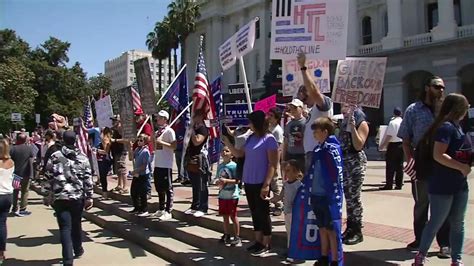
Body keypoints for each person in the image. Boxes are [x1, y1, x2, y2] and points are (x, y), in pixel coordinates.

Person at [412, 93, 471, 266]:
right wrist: (461, 167)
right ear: (457, 108)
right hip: (442, 184)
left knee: (458, 223)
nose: (467, 109)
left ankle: (456, 259)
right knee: (436, 221)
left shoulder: (458, 127)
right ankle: (420, 256)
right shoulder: (446, 127)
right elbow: (438, 155)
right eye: (466, 106)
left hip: (459, 184)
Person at [397, 75, 450, 256]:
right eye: (437, 87)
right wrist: (410, 160)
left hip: (443, 162)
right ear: (427, 88)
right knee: (421, 203)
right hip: (422, 163)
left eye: (443, 87)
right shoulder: (413, 110)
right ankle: (419, 239)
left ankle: (445, 243)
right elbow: (405, 138)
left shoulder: (445, 109)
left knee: (442, 204)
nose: (441, 90)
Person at [223, 110, 279, 257]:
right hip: (249, 180)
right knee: (254, 212)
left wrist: (267, 184)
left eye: (251, 122)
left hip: (261, 182)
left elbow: (273, 164)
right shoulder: (250, 138)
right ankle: (258, 241)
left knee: (263, 213)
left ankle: (266, 242)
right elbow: (240, 154)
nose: (249, 125)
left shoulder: (270, 139)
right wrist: (228, 143)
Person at [43, 130, 93, 266]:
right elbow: (88, 179)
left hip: (61, 197)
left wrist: (46, 194)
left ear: (63, 140)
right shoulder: (82, 158)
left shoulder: (55, 156)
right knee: (76, 225)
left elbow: (48, 176)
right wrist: (89, 196)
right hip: (77, 197)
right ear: (75, 141)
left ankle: (68, 259)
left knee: (65, 228)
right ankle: (77, 249)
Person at [310, 117, 344, 265]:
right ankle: (324, 256)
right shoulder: (319, 149)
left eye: (316, 132)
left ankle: (335, 260)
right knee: (322, 228)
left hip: (328, 196)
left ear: (325, 132)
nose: (314, 135)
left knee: (331, 230)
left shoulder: (331, 149)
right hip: (317, 193)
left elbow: (335, 174)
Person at [296, 52, 333, 172]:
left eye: (305, 98)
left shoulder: (323, 104)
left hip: (318, 153)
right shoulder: (312, 111)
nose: (304, 101)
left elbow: (314, 91)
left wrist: (303, 68)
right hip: (310, 153)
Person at [338, 104, 369, 245]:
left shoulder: (361, 122)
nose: (343, 107)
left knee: (354, 198)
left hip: (355, 162)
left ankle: (357, 230)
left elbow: (358, 145)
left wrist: (352, 128)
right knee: (348, 197)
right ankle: (350, 228)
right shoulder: (342, 122)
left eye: (347, 105)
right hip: (344, 162)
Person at [269, 159, 302, 260]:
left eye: (289, 170)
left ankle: (295, 251)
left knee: (295, 232)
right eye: (285, 171)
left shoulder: (299, 185)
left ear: (296, 172)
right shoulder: (286, 184)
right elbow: (280, 196)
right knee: (289, 231)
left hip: (295, 213)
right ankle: (290, 250)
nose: (287, 173)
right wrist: (270, 199)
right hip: (287, 212)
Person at [184, 109, 210, 218]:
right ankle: (195, 205)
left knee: (202, 184)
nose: (192, 118)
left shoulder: (202, 129)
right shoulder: (194, 128)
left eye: (194, 116)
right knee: (194, 184)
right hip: (191, 159)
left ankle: (203, 207)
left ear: (200, 117)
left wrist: (192, 131)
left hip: (200, 160)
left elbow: (197, 141)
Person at [152, 110, 176, 221]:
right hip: (158, 162)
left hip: (166, 163)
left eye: (160, 118)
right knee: (159, 187)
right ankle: (161, 208)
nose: (158, 119)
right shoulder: (157, 132)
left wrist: (162, 143)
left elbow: (174, 145)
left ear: (165, 119)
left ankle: (168, 210)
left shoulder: (169, 131)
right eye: (157, 117)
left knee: (168, 188)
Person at [215, 145, 241, 247]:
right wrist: (218, 182)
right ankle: (226, 234)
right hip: (222, 194)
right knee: (224, 216)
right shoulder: (220, 166)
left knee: (233, 216)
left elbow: (237, 180)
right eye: (223, 151)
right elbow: (218, 178)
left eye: (227, 151)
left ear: (232, 154)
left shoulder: (234, 166)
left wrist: (226, 181)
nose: (224, 153)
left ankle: (237, 236)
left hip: (232, 195)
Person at [10, 133, 35, 217]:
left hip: (16, 173)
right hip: (26, 173)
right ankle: (22, 209)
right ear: (25, 140)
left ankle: (14, 207)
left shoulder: (13, 149)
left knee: (15, 191)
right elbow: (32, 158)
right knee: (25, 191)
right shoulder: (29, 148)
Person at [380, 107, 404, 190]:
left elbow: (389, 136)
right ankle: (399, 184)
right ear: (401, 113)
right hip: (402, 144)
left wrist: (383, 145)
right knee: (400, 166)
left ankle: (389, 184)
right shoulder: (403, 122)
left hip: (393, 145)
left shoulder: (392, 122)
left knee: (390, 166)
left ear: (394, 113)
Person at [266, 107, 284, 216]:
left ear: (276, 118)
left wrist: (275, 162)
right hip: (266, 158)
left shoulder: (277, 130)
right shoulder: (268, 128)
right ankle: (267, 203)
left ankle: (279, 204)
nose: (269, 117)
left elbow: (278, 147)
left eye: (271, 116)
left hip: (273, 160)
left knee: (274, 182)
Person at [282, 98, 306, 173]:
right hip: (290, 154)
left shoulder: (306, 122)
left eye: (295, 107)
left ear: (301, 109)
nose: (293, 110)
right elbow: (285, 141)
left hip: (302, 155)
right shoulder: (288, 124)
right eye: (291, 108)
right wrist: (283, 158)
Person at [130, 134, 151, 217]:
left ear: (145, 142)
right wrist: (130, 148)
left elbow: (144, 165)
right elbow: (131, 158)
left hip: (143, 174)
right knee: (134, 192)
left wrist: (135, 171)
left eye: (141, 140)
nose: (139, 142)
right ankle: (137, 207)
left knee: (142, 193)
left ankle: (144, 209)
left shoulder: (145, 151)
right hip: (137, 174)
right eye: (138, 140)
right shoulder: (137, 149)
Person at [0, 139, 14, 263]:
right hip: (7, 195)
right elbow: (16, 178)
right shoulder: (11, 162)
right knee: (2, 224)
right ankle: (1, 252)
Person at [110, 115, 129, 194]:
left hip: (121, 150)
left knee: (122, 168)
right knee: (118, 169)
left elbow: (126, 139)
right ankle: (119, 185)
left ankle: (125, 187)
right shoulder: (114, 129)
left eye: (115, 120)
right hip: (116, 151)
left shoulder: (121, 129)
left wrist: (114, 140)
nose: (113, 122)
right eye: (112, 120)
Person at [97, 127, 113, 199]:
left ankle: (105, 194)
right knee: (103, 177)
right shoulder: (107, 138)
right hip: (105, 160)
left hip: (104, 160)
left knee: (103, 177)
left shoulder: (105, 139)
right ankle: (104, 193)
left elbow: (106, 152)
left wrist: (97, 150)